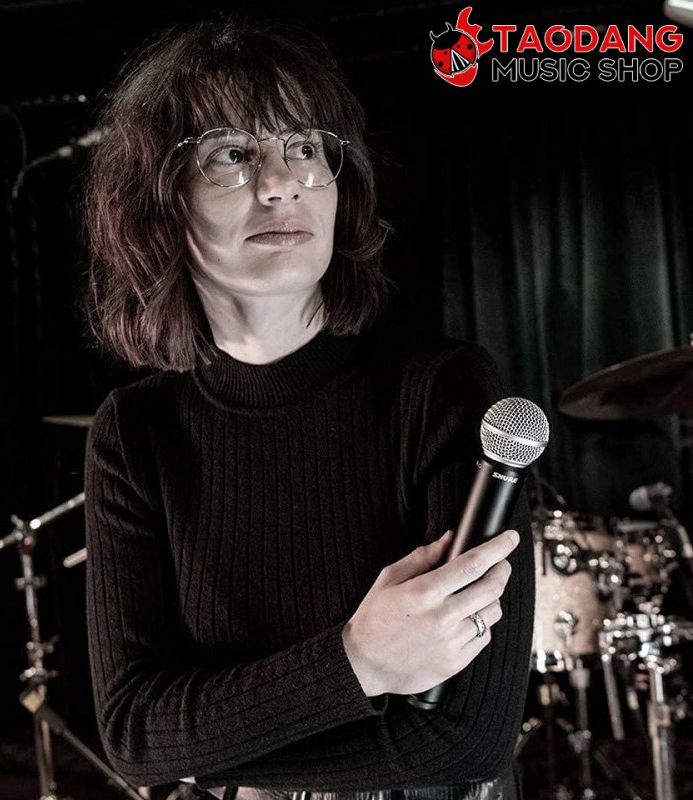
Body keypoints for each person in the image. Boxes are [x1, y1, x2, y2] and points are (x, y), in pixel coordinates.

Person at [81, 15, 535, 800]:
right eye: (231, 153)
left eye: (304, 148)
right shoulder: (135, 434)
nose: (280, 182)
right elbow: (133, 733)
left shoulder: (445, 390)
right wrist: (359, 660)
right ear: (160, 202)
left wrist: (207, 750)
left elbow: (467, 739)